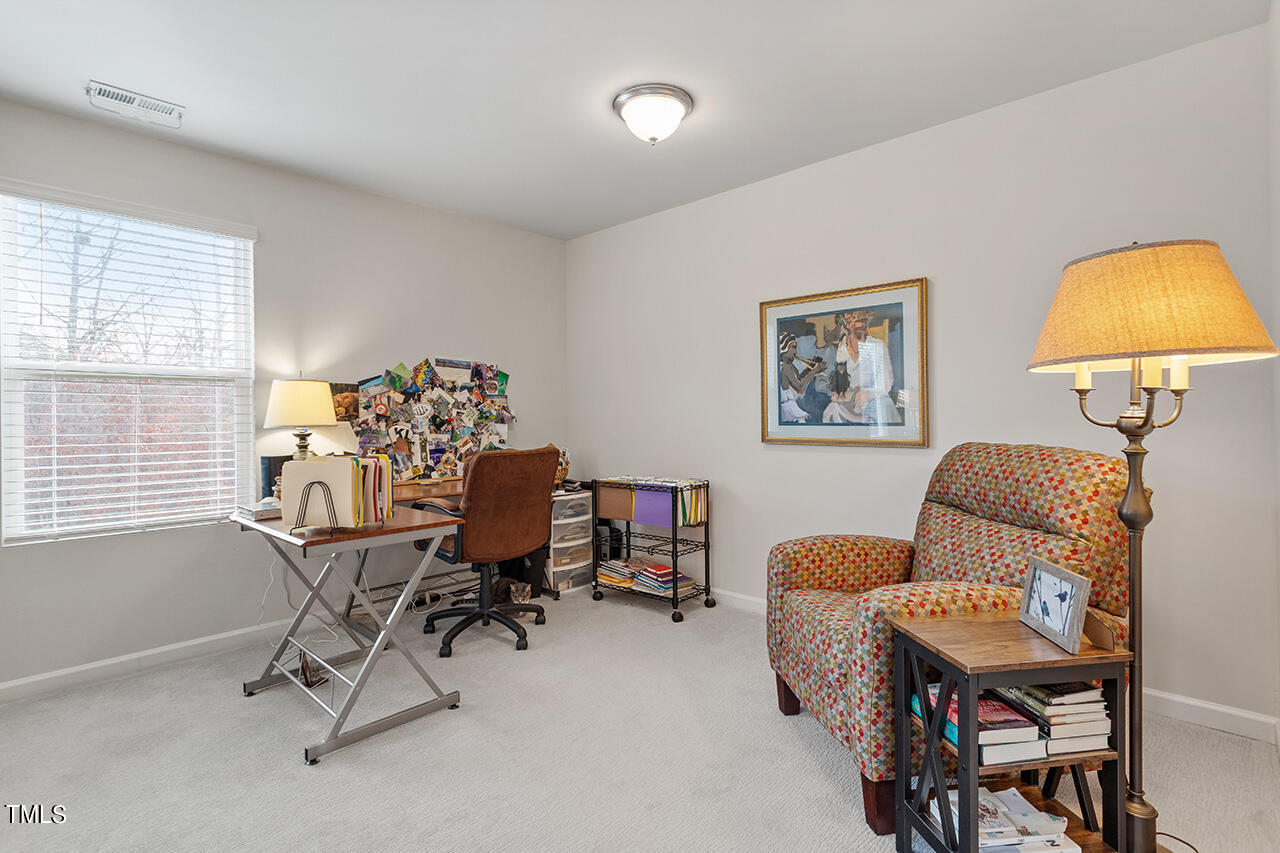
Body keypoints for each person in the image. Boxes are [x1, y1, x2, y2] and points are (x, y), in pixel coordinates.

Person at [823, 312, 902, 425]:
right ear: (844, 325)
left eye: (863, 320)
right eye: (854, 320)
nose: (860, 324)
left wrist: (867, 393)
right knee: (831, 412)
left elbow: (886, 383)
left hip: (874, 402)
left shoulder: (877, 346)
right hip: (846, 406)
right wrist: (834, 393)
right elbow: (824, 382)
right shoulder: (834, 351)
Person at [778, 331, 825, 422]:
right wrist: (814, 370)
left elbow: (799, 380)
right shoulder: (785, 366)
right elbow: (799, 388)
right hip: (789, 410)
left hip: (791, 406)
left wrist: (810, 369)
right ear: (784, 348)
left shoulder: (789, 366)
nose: (796, 351)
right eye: (793, 347)